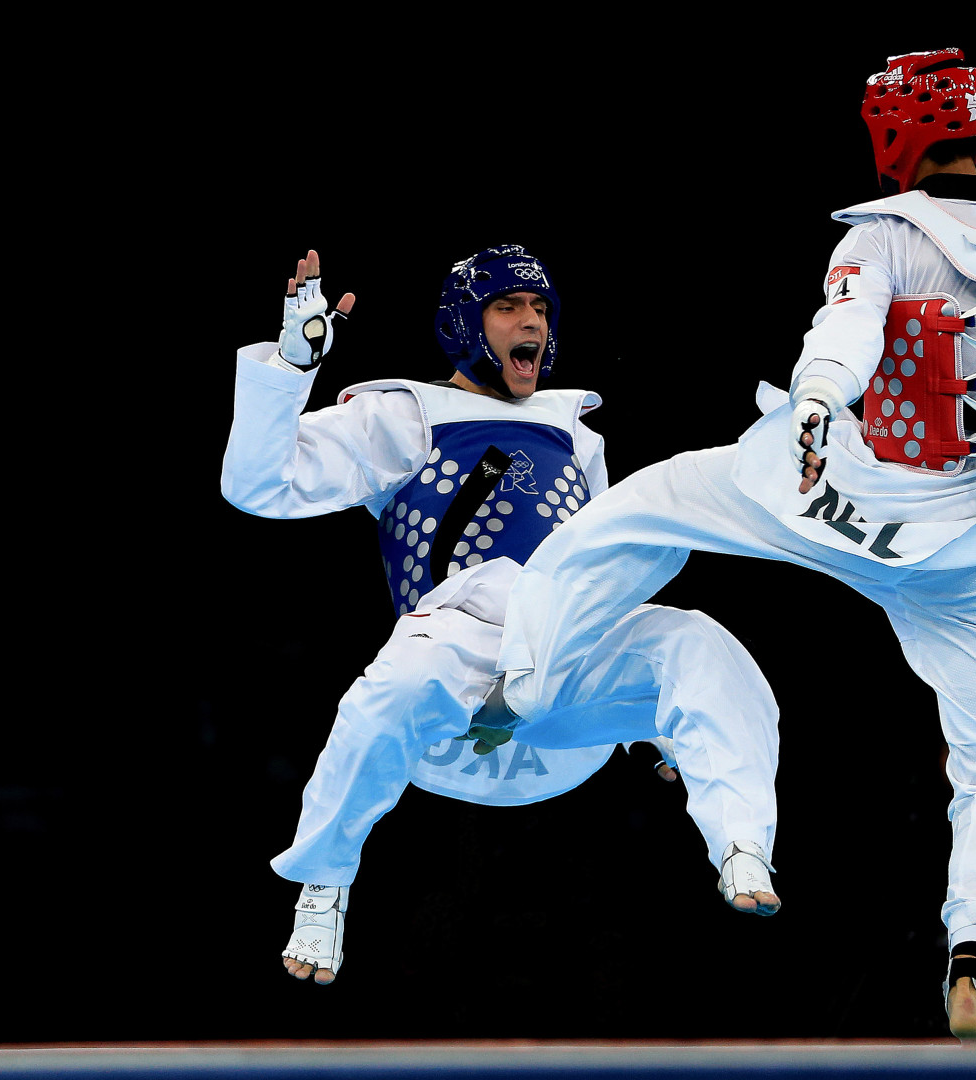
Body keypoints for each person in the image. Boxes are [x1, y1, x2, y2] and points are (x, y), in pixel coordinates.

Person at [491, 50, 976, 1042]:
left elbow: (847, 329)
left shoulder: (886, 234)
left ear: (892, 138)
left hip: (839, 495)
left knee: (643, 509)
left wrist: (820, 401)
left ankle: (527, 674)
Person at [221, 245, 782, 987]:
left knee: (696, 640)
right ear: (463, 324)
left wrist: (653, 723)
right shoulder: (404, 415)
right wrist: (292, 367)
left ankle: (741, 842)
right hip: (453, 675)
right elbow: (258, 485)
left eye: (541, 308)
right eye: (509, 307)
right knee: (395, 683)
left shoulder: (576, 433)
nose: (533, 323)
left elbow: (600, 581)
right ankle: (324, 882)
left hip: (558, 678)